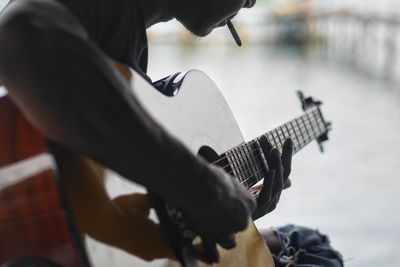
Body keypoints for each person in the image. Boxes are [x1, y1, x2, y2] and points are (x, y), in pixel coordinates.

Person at [0, 0, 293, 263]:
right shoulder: (111, 8)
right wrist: (194, 183)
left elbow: (125, 195)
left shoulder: (129, 36)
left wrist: (222, 214)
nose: (253, 2)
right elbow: (20, 32)